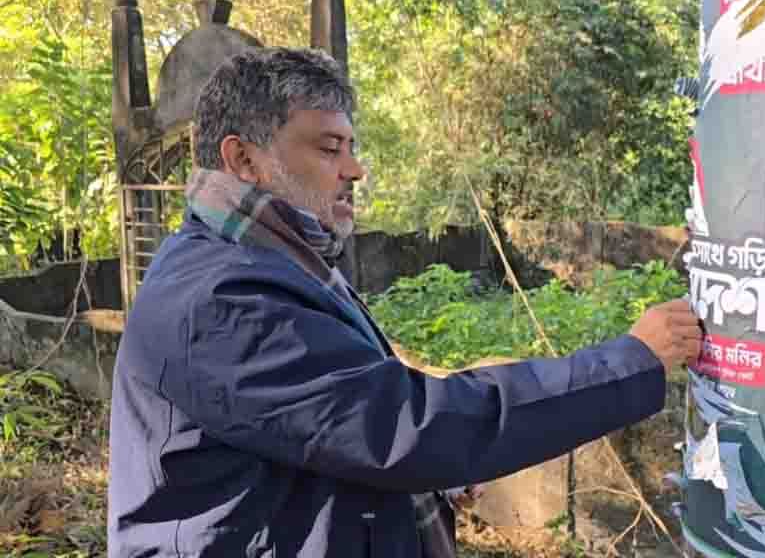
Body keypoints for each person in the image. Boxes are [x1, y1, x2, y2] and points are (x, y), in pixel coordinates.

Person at [107, 47, 703, 558]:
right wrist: (631, 361)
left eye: (352, 147)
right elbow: (400, 425)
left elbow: (325, 427)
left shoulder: (277, 261)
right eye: (330, 148)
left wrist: (424, 486)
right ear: (244, 159)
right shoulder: (221, 297)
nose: (356, 169)